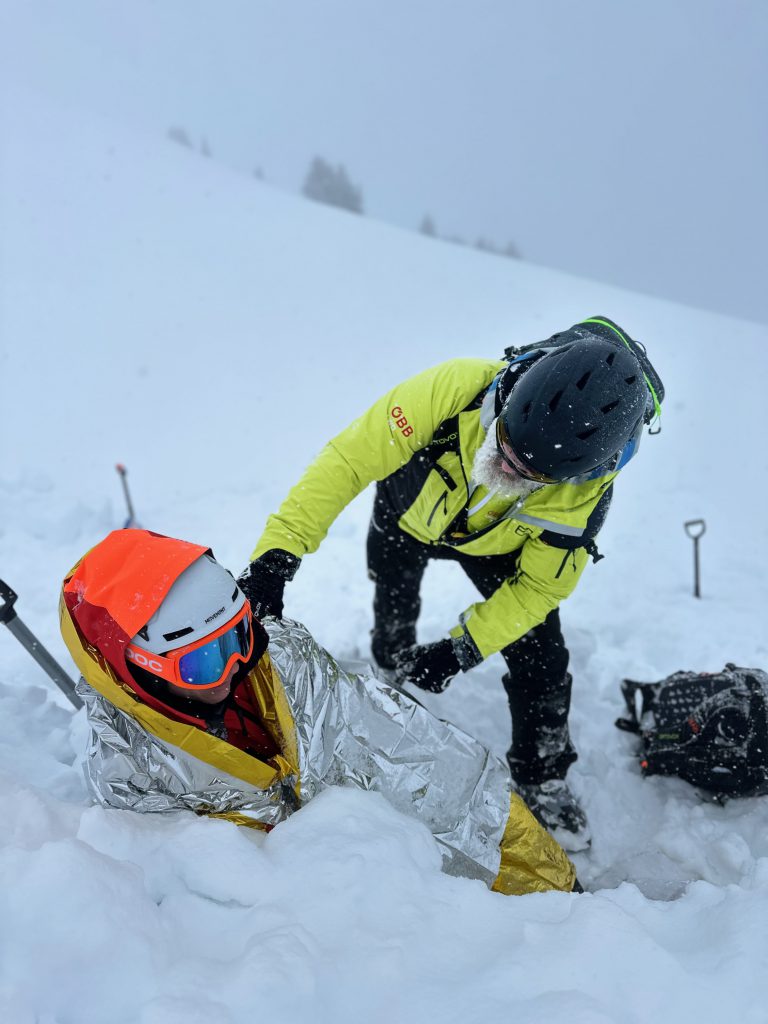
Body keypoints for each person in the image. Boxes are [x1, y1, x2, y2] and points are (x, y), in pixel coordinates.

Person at [239, 316, 664, 850]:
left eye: (529, 473)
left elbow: (539, 590)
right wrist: (277, 555)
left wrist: (464, 648)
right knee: (393, 601)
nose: (505, 465)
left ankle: (544, 772)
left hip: (499, 547)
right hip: (407, 515)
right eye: (503, 441)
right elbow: (348, 460)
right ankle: (392, 665)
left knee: (544, 659)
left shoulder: (584, 497)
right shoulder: (456, 388)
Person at [60, 528, 578, 896]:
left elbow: (406, 744)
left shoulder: (280, 661)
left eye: (239, 637)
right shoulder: (130, 777)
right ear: (138, 671)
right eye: (200, 664)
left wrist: (533, 864)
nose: (233, 667)